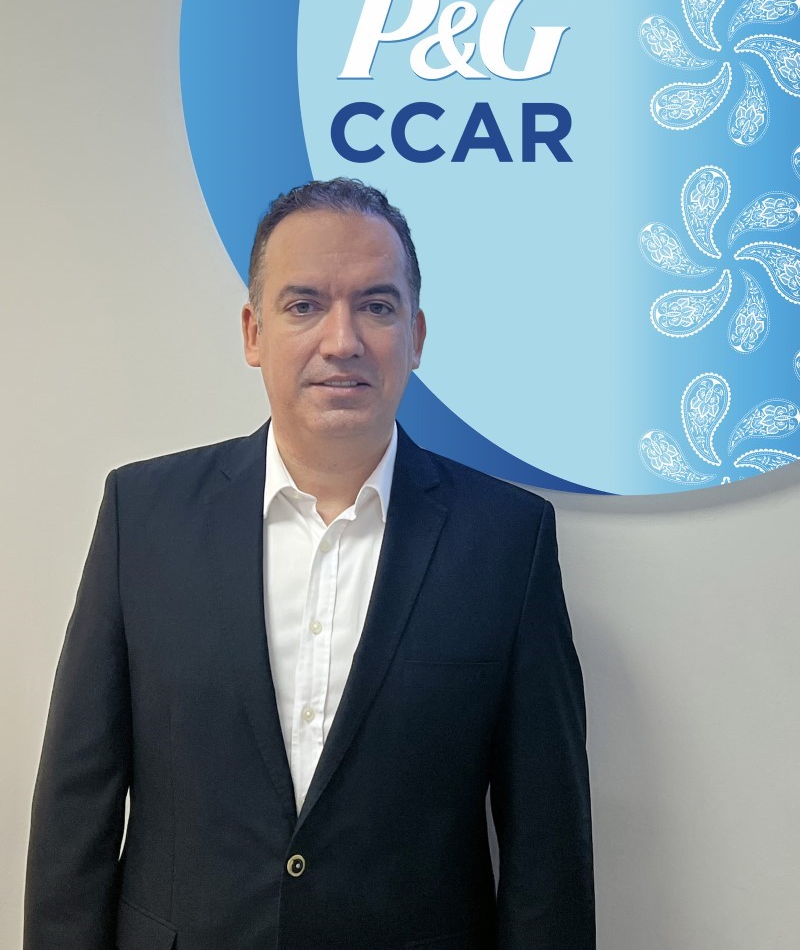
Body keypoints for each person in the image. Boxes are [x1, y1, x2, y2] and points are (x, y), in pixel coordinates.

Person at [24, 178, 594, 949]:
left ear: (416, 334)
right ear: (253, 332)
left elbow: (548, 849)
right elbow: (75, 809)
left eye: (377, 306)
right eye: (304, 305)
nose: (342, 340)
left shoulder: (507, 540)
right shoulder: (143, 516)